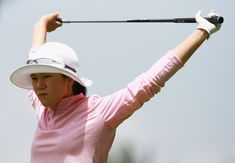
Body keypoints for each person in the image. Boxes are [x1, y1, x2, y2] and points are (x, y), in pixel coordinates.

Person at [10, 10, 221, 163]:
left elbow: (150, 81)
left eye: (46, 77)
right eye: (35, 79)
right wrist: (40, 27)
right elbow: (35, 58)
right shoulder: (43, 108)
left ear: (68, 80)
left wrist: (202, 31)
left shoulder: (99, 112)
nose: (38, 86)